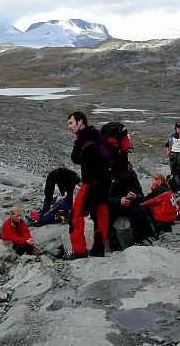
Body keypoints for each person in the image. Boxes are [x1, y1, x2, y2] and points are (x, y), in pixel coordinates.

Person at [65, 111, 109, 260]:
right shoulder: (97, 133)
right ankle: (99, 248)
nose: (69, 126)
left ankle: (79, 250)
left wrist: (77, 140)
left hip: (91, 184)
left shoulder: (83, 138)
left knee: (75, 216)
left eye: (71, 123)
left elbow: (75, 158)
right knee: (100, 214)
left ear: (80, 122)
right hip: (104, 182)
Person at [107, 163, 147, 250]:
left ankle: (137, 240)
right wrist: (118, 201)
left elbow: (141, 194)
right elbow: (103, 196)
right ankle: (115, 246)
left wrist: (136, 196)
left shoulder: (131, 176)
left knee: (141, 210)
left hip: (129, 204)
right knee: (105, 219)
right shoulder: (109, 176)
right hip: (114, 205)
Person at [165, 121, 180, 192]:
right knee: (173, 169)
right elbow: (167, 144)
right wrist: (169, 153)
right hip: (173, 152)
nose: (178, 129)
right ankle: (174, 185)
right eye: (177, 127)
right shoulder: (172, 135)